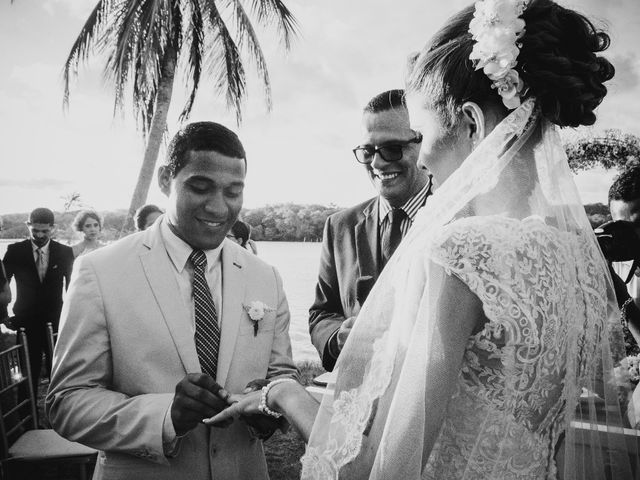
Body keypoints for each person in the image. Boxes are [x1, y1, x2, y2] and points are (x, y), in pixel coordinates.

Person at [208, 1, 638, 479]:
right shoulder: (578, 258)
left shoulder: (463, 253)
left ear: (471, 123)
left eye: (421, 131)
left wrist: (284, 392)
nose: (423, 154)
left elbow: (375, 467)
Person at [46, 122, 298, 480]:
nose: (218, 207)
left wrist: (268, 407)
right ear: (166, 180)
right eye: (200, 187)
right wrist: (165, 415)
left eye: (233, 192)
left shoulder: (265, 276)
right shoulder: (99, 272)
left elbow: (281, 375)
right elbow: (67, 402)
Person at [309, 89, 432, 371]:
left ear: (423, 144)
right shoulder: (339, 226)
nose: (377, 163)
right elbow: (322, 312)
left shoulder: (458, 215)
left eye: (391, 148)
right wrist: (336, 338)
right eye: (368, 151)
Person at [2, 207, 74, 390]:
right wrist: (3, 315)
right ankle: (28, 416)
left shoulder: (65, 252)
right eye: (35, 230)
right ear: (28, 226)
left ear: (53, 228)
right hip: (25, 322)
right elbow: (1, 285)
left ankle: (58, 415)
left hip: (56, 322)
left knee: (59, 373)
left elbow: (72, 288)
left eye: (45, 230)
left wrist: (73, 318)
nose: (40, 235)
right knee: (26, 376)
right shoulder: (15, 251)